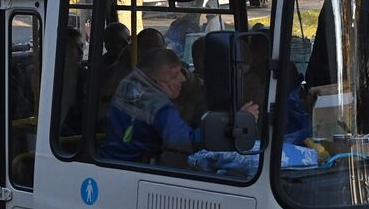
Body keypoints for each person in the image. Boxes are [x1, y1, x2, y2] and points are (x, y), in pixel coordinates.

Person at [102, 47, 258, 164]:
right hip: (137, 168)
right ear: (156, 81)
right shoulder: (160, 108)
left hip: (110, 159)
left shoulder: (128, 83)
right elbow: (184, 142)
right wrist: (232, 123)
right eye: (175, 75)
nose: (183, 79)